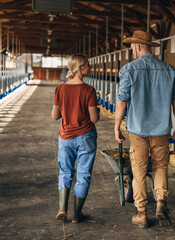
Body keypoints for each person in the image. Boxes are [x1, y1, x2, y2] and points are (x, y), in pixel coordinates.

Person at [114, 30, 175, 228]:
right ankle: (161, 202)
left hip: (138, 130)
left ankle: (142, 213)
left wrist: (116, 126)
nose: (132, 52)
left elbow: (121, 103)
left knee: (139, 172)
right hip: (162, 129)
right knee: (161, 167)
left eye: (132, 48)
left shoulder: (129, 70)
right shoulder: (170, 71)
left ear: (137, 46)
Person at [52, 54, 99, 223]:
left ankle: (62, 208)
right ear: (80, 68)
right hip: (86, 135)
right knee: (83, 174)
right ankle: (77, 215)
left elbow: (55, 116)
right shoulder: (89, 90)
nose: (90, 68)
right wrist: (96, 111)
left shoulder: (60, 89)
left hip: (66, 137)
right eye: (88, 65)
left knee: (65, 172)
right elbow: (94, 118)